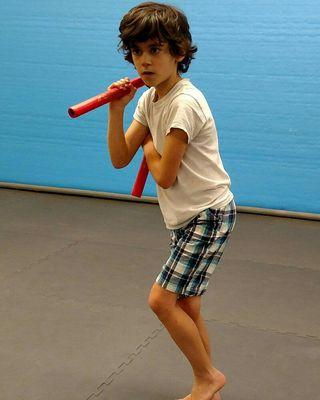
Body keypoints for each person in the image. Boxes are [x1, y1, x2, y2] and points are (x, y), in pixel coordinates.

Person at [107, 2, 236, 399]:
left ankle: (207, 379)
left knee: (161, 300)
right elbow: (118, 158)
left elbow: (163, 174)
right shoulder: (149, 100)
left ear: (179, 52)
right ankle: (208, 378)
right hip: (185, 216)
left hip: (208, 213)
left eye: (155, 50)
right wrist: (116, 111)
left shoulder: (185, 102)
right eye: (137, 51)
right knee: (189, 305)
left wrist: (148, 145)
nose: (144, 61)